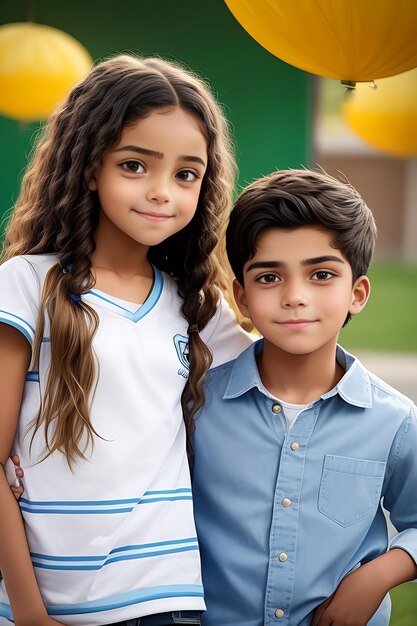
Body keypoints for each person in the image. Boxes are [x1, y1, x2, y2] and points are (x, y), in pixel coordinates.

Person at [0, 54, 253, 626]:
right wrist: (30, 613)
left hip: (167, 594)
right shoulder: (25, 285)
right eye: (136, 165)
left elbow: (274, 385)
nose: (162, 192)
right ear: (90, 167)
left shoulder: (198, 305)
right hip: (46, 601)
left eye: (186, 174)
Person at [190, 169, 417, 626]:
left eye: (321, 274)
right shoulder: (196, 407)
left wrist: (375, 578)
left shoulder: (394, 420)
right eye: (270, 277)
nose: (295, 297)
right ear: (243, 298)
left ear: (357, 293)